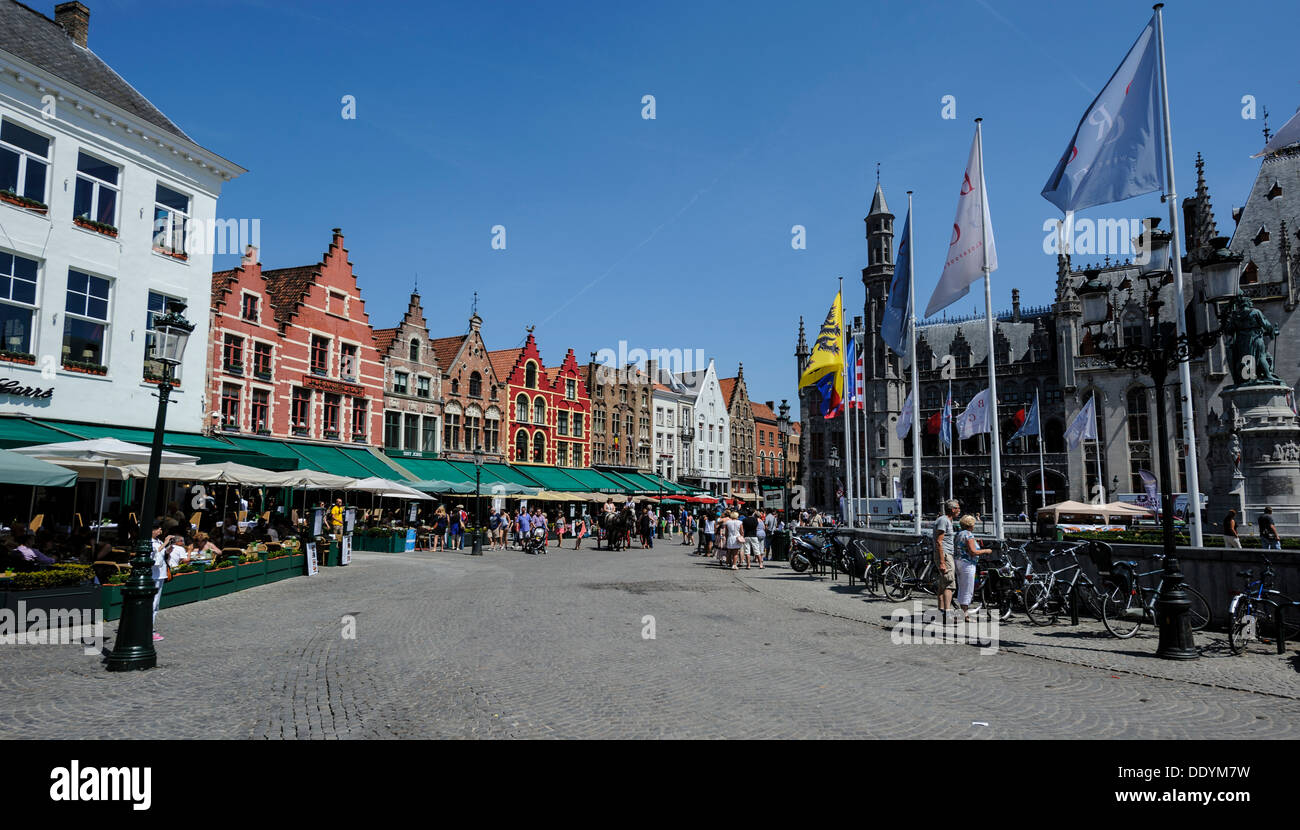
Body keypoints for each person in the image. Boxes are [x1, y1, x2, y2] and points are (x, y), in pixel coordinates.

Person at [953, 515, 992, 623]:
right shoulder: (969, 535)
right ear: (970, 525)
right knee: (968, 589)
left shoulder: (958, 534)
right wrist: (986, 551)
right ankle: (962, 614)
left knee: (962, 587)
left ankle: (963, 614)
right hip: (968, 564)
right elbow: (973, 552)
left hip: (958, 562)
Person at [151, 527, 186, 642]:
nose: (160, 530)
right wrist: (165, 543)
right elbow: (154, 555)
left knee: (156, 604)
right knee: (152, 602)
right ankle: (148, 630)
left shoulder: (158, 541)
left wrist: (167, 550)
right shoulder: (149, 542)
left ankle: (150, 627)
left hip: (160, 574)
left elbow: (160, 553)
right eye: (157, 529)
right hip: (154, 575)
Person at [933, 499, 960, 624]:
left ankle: (941, 612)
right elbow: (939, 541)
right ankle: (947, 614)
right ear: (953, 509)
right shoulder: (944, 520)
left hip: (945, 554)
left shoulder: (947, 520)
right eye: (958, 508)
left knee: (942, 584)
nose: (959, 510)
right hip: (945, 555)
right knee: (949, 584)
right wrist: (943, 562)